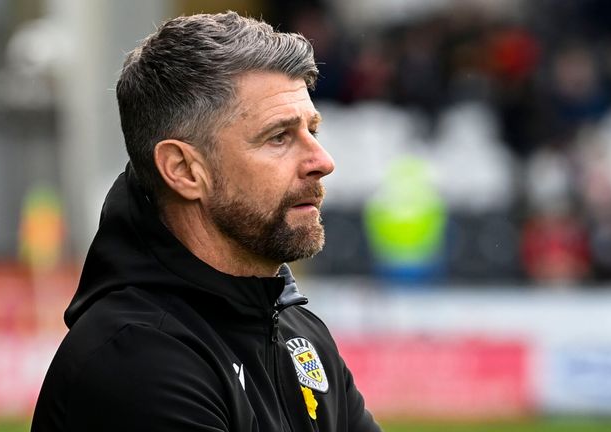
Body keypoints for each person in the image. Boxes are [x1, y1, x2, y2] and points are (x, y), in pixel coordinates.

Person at [31, 11, 382, 432]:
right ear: (182, 169)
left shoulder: (298, 333)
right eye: (278, 137)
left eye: (313, 131)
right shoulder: (137, 361)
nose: (322, 162)